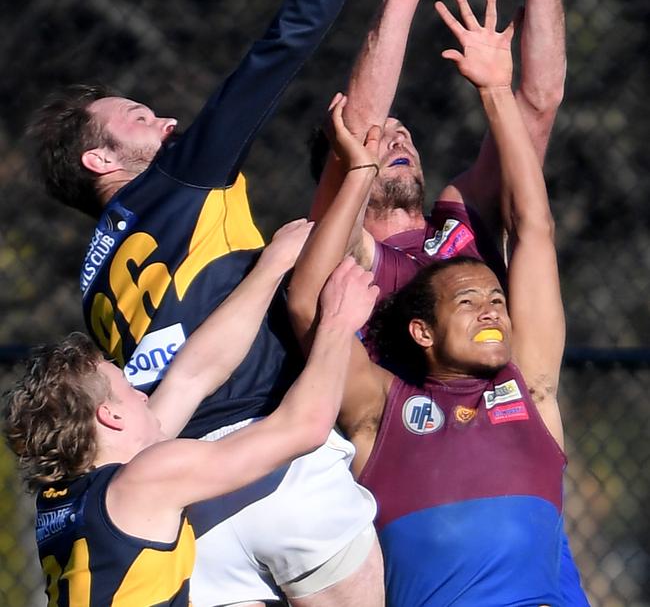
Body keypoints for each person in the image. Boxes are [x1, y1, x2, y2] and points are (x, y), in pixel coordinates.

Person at [27, 0, 428, 607]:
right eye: (140, 119)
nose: (168, 121)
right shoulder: (176, 177)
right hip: (272, 451)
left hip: (180, 500)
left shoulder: (96, 283)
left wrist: (270, 267)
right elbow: (279, 47)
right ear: (99, 158)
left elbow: (186, 372)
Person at [288, 0, 572, 606]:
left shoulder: (463, 230)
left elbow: (539, 114)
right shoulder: (350, 273)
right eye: (378, 135)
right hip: (405, 450)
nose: (398, 140)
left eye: (404, 134)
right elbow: (309, 300)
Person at [4, 218, 380, 606]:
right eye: (129, 389)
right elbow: (303, 428)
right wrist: (337, 324)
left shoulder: (65, 500)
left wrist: (271, 267)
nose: (145, 396)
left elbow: (192, 376)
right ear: (109, 417)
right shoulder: (141, 483)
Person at [311, 0, 583, 300]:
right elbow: (360, 125)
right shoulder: (341, 252)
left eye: (404, 131)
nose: (400, 138)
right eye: (385, 132)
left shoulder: (461, 219)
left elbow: (539, 104)